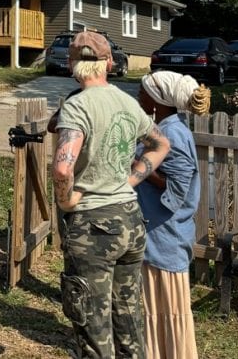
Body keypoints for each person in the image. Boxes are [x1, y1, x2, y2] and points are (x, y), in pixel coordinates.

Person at [52, 30, 171, 359]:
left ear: (71, 63)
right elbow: (161, 144)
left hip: (93, 227)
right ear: (109, 62)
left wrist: (66, 200)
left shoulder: (76, 106)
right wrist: (130, 180)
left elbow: (64, 168)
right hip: (130, 221)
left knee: (93, 324)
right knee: (129, 318)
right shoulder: (127, 102)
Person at [135, 71, 209, 359]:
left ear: (157, 101)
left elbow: (177, 192)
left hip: (167, 237)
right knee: (156, 309)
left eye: (143, 92)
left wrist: (139, 167)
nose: (138, 96)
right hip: (156, 234)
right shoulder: (164, 127)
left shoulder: (173, 134)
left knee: (170, 310)